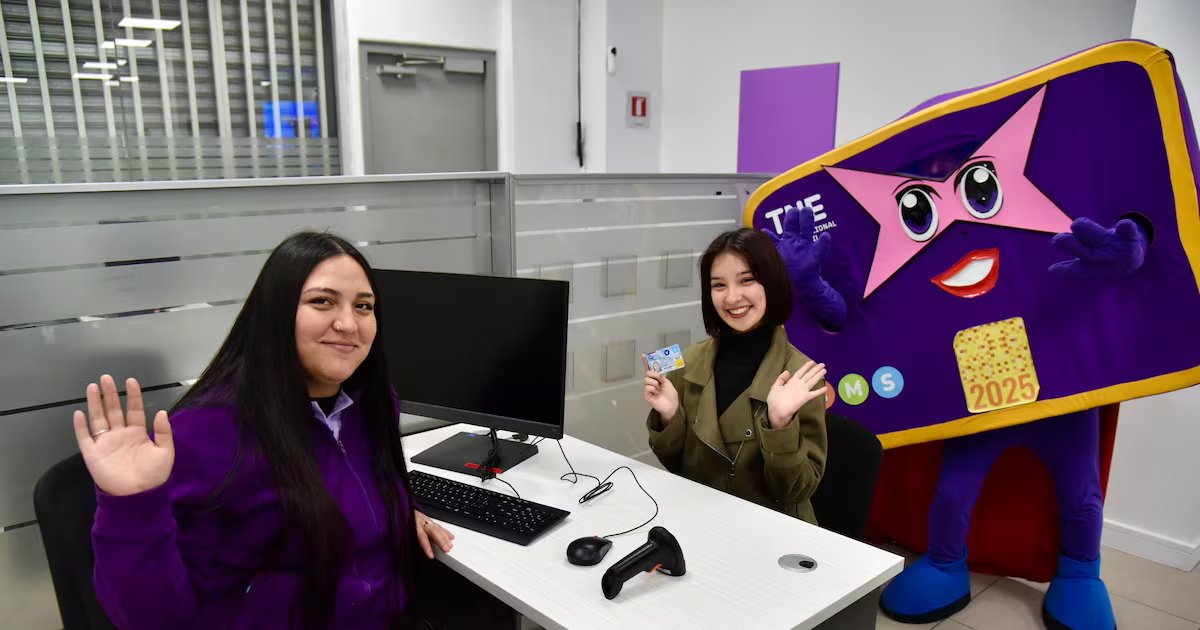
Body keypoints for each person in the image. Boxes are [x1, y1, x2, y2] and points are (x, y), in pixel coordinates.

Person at [72, 232, 455, 629]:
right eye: (322, 301)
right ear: (276, 312)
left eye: (363, 306)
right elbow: (153, 619)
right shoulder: (203, 434)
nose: (347, 324)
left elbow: (351, 481)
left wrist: (397, 509)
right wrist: (131, 506)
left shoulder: (373, 403)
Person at [644, 227, 829, 524]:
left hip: (773, 531)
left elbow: (796, 490)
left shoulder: (801, 375)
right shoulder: (685, 363)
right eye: (719, 285)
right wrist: (669, 417)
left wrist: (780, 424)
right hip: (700, 520)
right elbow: (676, 466)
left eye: (746, 280)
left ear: (771, 282)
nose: (732, 297)